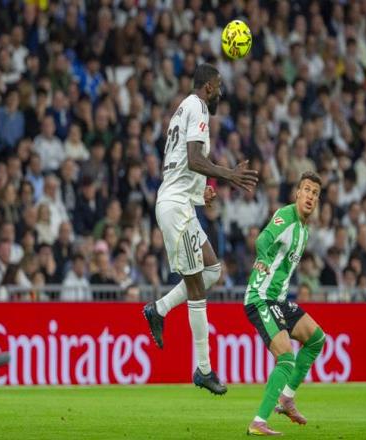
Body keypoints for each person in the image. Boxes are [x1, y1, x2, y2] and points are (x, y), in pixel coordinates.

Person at [142, 63, 258, 395]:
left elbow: (180, 165)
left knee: (212, 270)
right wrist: (228, 174)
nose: (220, 92)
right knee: (197, 287)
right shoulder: (200, 108)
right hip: (176, 209)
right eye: (218, 86)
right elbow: (193, 159)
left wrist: (198, 193)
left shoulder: (183, 109)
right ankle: (204, 369)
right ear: (208, 87)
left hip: (181, 203)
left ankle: (159, 308)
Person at [245, 171, 326, 436]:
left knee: (316, 339)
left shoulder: (304, 230)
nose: (310, 196)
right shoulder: (286, 216)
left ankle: (287, 398)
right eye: (307, 190)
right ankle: (258, 422)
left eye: (315, 193)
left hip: (278, 301)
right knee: (286, 359)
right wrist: (262, 258)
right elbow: (263, 239)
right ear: (297, 193)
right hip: (260, 297)